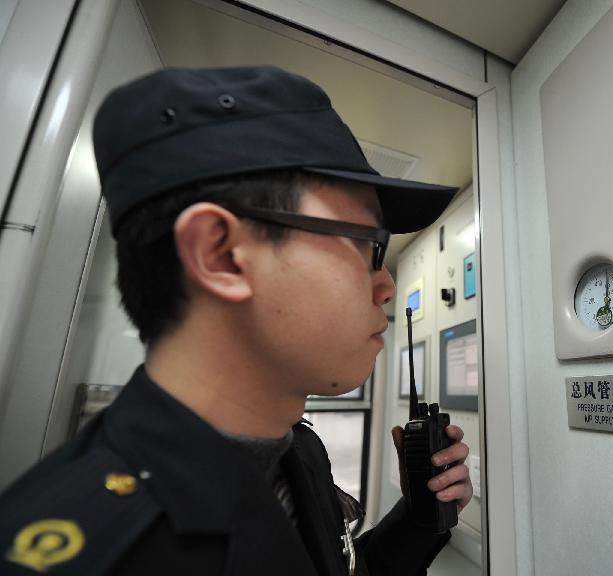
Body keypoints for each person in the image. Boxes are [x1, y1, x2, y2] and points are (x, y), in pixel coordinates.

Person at [0, 66, 473, 575]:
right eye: (368, 245)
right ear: (222, 255)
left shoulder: (299, 449)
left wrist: (420, 519)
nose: (386, 285)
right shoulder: (100, 554)